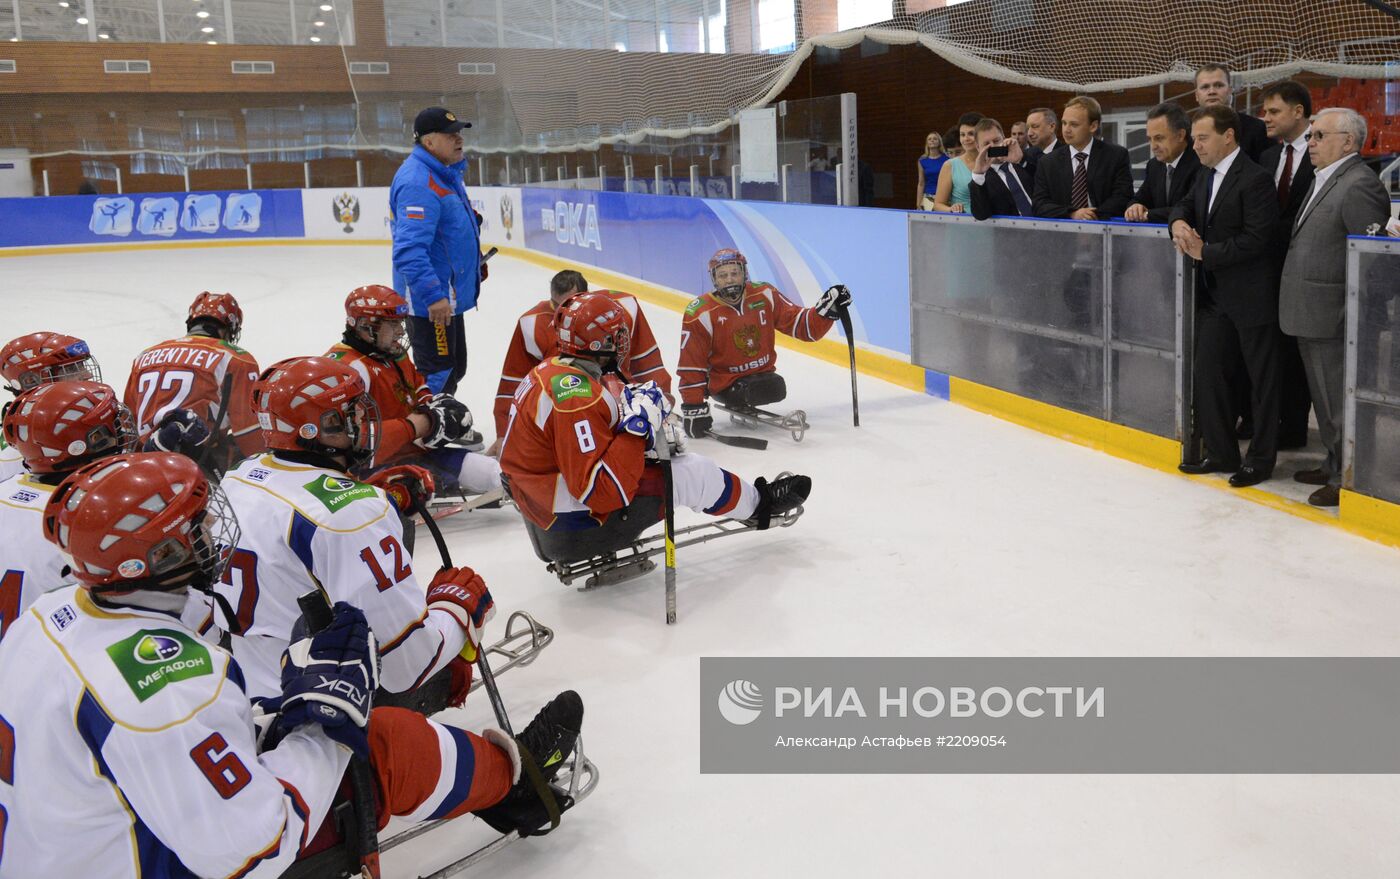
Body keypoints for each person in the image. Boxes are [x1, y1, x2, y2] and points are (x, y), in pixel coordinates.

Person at [0, 450, 585, 877]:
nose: (213, 529)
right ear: (157, 557)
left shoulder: (44, 618)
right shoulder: (169, 689)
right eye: (195, 527)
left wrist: (275, 714)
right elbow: (252, 846)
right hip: (162, 860)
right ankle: (520, 785)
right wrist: (323, 728)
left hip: (69, 846)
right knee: (387, 743)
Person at [218, 355, 492, 702]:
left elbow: (305, 506)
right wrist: (455, 609)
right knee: (464, 602)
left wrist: (374, 492)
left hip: (245, 684)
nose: (363, 423)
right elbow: (408, 665)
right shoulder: (356, 514)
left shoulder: (241, 475)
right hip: (321, 706)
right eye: (350, 416)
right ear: (315, 428)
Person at [499, 292, 812, 547]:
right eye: (616, 334)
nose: (623, 339)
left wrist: (632, 418)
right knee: (694, 473)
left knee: (674, 462)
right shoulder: (576, 397)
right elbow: (603, 491)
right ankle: (760, 507)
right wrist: (636, 431)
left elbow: (580, 438)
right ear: (596, 343)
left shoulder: (555, 369)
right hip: (564, 512)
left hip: (541, 493)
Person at [1278, 108, 1391, 506]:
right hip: (1311, 310)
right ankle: (1332, 463)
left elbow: (1371, 260)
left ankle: (1349, 477)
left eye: (1319, 136)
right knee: (1325, 402)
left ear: (1348, 140)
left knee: (1339, 404)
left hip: (1335, 314)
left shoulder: (1359, 184)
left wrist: (1351, 311)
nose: (1310, 143)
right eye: (1310, 136)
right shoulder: (1325, 179)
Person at [1170, 105, 1282, 487]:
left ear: (1228, 136)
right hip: (1216, 297)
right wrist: (1179, 221)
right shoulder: (1204, 175)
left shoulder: (1256, 179)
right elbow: (1185, 204)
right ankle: (1220, 452)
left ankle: (1261, 460)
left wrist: (1207, 253)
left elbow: (1257, 240)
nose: (1195, 145)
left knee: (1261, 383)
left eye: (1202, 138)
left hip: (1252, 298)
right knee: (1209, 372)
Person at [325, 285, 501, 497]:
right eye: (392, 325)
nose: (400, 331)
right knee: (422, 488)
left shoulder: (393, 351)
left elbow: (416, 386)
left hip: (412, 450)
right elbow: (348, 441)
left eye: (400, 323)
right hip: (371, 467)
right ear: (365, 326)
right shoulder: (348, 370)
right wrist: (416, 426)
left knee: (496, 473)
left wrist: (433, 413)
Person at [0, 380, 135, 642]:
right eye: (111, 428)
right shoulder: (92, 520)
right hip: (45, 659)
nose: (121, 432)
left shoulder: (6, 488)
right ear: (85, 444)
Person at [491, 269, 672, 455]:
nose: (565, 316)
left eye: (572, 304)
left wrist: (662, 408)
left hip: (624, 408)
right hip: (572, 414)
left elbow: (648, 364)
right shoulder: (531, 324)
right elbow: (514, 384)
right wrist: (504, 434)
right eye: (558, 306)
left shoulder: (623, 308)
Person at [677, 248, 849, 433]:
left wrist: (826, 310)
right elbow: (691, 364)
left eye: (735, 273)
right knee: (749, 389)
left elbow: (802, 327)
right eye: (722, 275)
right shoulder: (699, 313)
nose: (729, 279)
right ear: (714, 279)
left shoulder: (765, 294)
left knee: (775, 388)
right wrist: (693, 406)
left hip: (764, 377)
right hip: (725, 384)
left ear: (744, 273)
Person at [390, 106, 486, 396]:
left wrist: (472, 264)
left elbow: (447, 233)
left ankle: (444, 424)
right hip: (432, 303)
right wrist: (433, 296)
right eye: (449, 135)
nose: (459, 139)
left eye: (459, 133)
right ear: (428, 142)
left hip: (448, 294)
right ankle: (431, 435)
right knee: (438, 372)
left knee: (455, 367)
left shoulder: (446, 173)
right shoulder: (418, 182)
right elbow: (409, 250)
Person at [123, 291, 263, 475]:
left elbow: (127, 423)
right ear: (230, 326)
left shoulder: (144, 356)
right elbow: (248, 433)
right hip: (196, 464)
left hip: (145, 462)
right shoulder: (238, 359)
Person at [1259, 80, 1318, 451]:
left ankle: (1297, 427)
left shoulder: (1323, 152)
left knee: (1302, 356)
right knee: (1278, 351)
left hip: (1307, 273)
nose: (1266, 118)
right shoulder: (1268, 157)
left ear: (1298, 112)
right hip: (1269, 271)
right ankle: (1282, 424)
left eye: (1274, 111)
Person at [0, 331, 103, 481]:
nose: (88, 375)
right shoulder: (20, 457)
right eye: (71, 369)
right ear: (31, 381)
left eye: (82, 365)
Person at [1032, 95, 1134, 221]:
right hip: (1063, 233)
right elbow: (1039, 204)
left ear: (1093, 126)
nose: (1066, 130)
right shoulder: (1047, 162)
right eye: (1064, 123)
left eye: (1074, 125)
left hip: (1105, 230)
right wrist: (1072, 214)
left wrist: (1090, 216)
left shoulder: (1116, 156)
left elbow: (1123, 197)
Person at [1125, 102, 1202, 223]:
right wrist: (1135, 207)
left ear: (1180, 135)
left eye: (1159, 138)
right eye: (1150, 139)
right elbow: (1139, 198)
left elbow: (1192, 209)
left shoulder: (1201, 163)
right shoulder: (1154, 165)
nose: (1153, 146)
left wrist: (1147, 214)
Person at [1194, 63, 1271, 162]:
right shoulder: (1188, 133)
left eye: (1219, 85)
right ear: (1196, 95)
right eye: (1205, 87)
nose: (1212, 91)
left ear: (1230, 90)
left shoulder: (1257, 128)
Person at [967, 118, 1035, 220]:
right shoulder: (980, 181)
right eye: (986, 144)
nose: (993, 146)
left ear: (1003, 137)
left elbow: (1048, 182)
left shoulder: (1027, 157)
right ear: (978, 147)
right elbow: (981, 215)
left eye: (996, 141)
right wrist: (978, 175)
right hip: (1013, 233)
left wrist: (1021, 160)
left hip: (1046, 224)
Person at [933, 112, 984, 213]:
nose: (966, 139)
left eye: (971, 134)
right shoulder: (950, 165)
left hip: (991, 225)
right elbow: (938, 204)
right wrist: (951, 209)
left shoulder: (994, 162)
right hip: (960, 225)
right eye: (962, 135)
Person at [1021, 107, 1063, 175]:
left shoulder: (1067, 154)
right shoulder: (1026, 156)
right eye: (1027, 128)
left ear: (1052, 127)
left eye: (1035, 126)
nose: (1029, 133)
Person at [916, 131, 950, 210]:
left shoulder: (947, 159)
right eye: (929, 139)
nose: (932, 140)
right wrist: (918, 203)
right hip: (928, 197)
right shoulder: (922, 160)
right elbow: (921, 183)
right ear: (927, 143)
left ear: (939, 142)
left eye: (935, 139)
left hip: (944, 196)